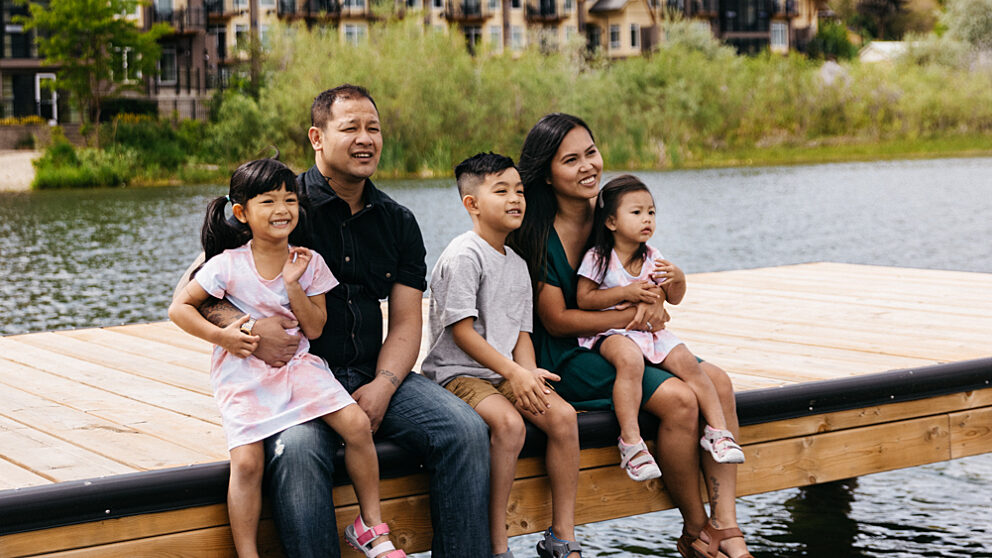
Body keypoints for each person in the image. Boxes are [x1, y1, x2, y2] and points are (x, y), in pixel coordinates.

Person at [174, 84, 491, 557]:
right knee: (298, 454)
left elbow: (406, 321)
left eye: (374, 129)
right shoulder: (280, 201)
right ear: (317, 137)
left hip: (371, 373)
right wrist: (249, 327)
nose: (366, 139)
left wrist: (385, 384)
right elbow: (193, 291)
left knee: (464, 430)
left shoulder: (398, 221)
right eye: (351, 128)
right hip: (292, 379)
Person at [507, 113, 755, 558]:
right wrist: (630, 314)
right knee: (680, 400)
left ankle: (725, 524)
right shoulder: (538, 233)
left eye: (591, 153)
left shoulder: (617, 214)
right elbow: (558, 320)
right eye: (570, 160)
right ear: (546, 173)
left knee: (717, 381)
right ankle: (696, 531)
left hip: (629, 342)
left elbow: (648, 279)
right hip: (570, 353)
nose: (587, 166)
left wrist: (656, 300)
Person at [169, 159, 406, 558]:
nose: (282, 209)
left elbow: (314, 328)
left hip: (297, 367)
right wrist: (223, 336)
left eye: (289, 200)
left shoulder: (308, 262)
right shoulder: (227, 264)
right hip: (244, 374)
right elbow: (180, 308)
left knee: (357, 425)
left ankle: (368, 524)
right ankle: (248, 553)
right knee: (246, 463)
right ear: (242, 213)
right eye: (268, 201)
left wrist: (293, 284)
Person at [421, 153, 582, 558]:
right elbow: (461, 332)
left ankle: (563, 536)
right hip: (457, 375)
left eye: (520, 191)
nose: (516, 199)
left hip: (504, 373)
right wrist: (514, 372)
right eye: (502, 191)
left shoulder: (519, 263)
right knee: (510, 426)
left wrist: (528, 374)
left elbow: (521, 334)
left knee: (562, 416)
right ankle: (497, 545)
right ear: (471, 204)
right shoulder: (464, 255)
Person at [575, 174, 745, 468]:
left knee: (689, 363)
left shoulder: (654, 258)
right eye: (637, 212)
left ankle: (718, 432)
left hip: (651, 333)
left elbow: (673, 297)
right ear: (611, 222)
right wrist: (624, 292)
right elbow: (584, 298)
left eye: (651, 212)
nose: (647, 219)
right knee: (629, 361)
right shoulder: (599, 257)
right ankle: (630, 441)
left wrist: (678, 279)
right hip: (612, 330)